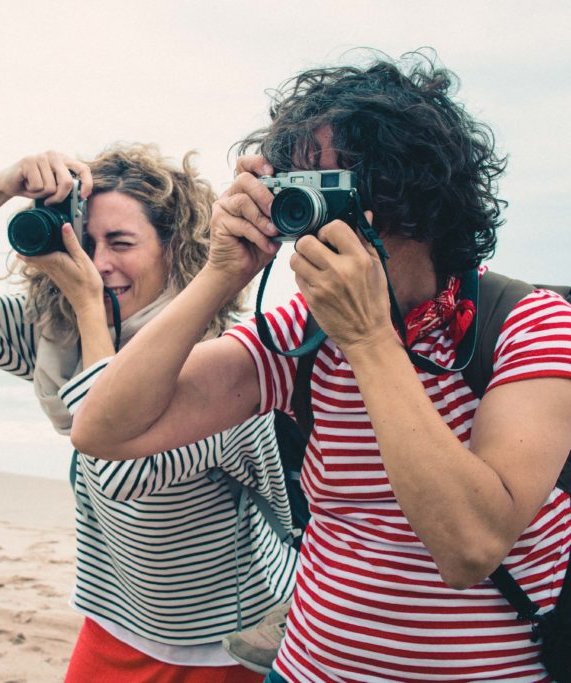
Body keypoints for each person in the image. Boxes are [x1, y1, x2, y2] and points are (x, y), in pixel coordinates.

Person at [70, 51, 571, 681]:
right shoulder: (304, 334)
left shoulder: (528, 323)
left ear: (412, 192)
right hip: (308, 666)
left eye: (328, 183)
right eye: (293, 186)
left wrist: (368, 338)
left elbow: (470, 546)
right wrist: (223, 272)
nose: (307, 209)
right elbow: (105, 429)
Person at [0, 143, 298, 682]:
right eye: (84, 242)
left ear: (175, 248)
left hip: (221, 638)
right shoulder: (55, 338)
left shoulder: (217, 363)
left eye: (120, 243)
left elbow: (117, 465)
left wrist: (89, 306)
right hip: (116, 617)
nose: (98, 263)